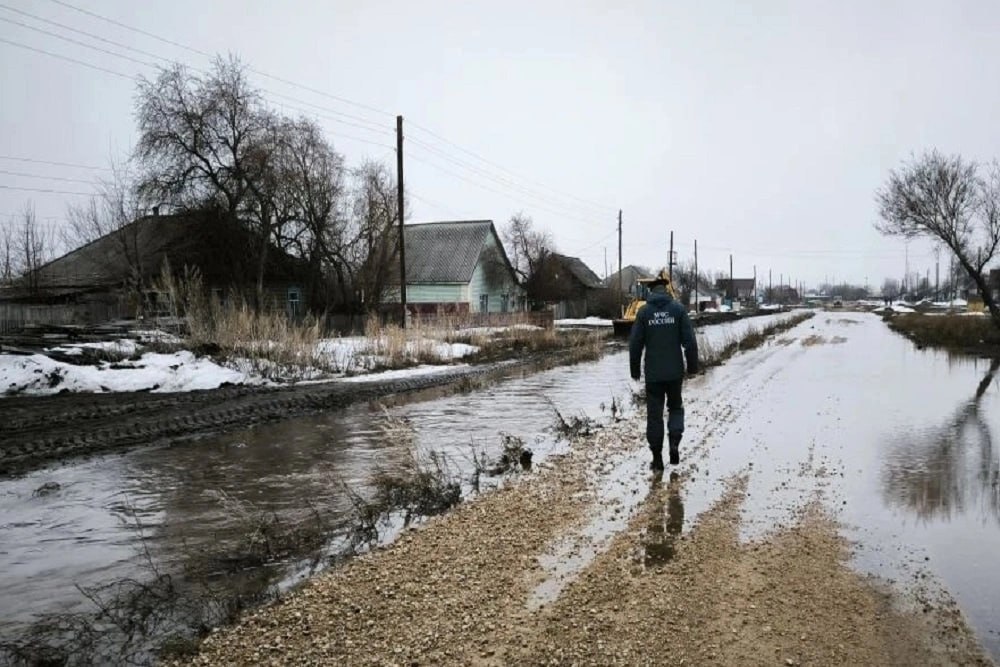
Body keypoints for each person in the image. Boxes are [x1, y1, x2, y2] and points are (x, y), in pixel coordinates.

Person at [629, 270, 699, 470]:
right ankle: (675, 443)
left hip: (653, 375)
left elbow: (635, 345)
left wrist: (635, 371)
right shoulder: (678, 309)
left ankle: (657, 458)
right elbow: (690, 342)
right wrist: (692, 367)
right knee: (675, 407)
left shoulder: (643, 313)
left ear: (651, 292)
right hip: (675, 372)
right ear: (667, 290)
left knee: (654, 416)